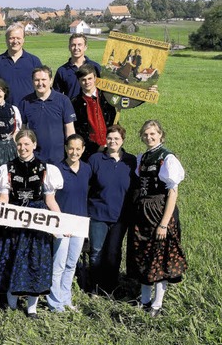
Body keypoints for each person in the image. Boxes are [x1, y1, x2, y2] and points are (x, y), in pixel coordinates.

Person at [0, 129, 63, 318]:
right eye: (19, 144)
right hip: (14, 218)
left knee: (36, 262)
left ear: (34, 144)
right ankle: (12, 305)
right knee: (11, 258)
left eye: (26, 144)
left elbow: (50, 201)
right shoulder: (7, 168)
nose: (23, 148)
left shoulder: (45, 169)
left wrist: (61, 223)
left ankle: (31, 308)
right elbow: (4, 196)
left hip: (37, 219)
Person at [130, 120, 187, 317]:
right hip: (143, 212)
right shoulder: (143, 157)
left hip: (160, 211)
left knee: (160, 256)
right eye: (145, 134)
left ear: (161, 135)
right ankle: (145, 300)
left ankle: (157, 303)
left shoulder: (167, 158)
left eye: (153, 134)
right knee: (144, 254)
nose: (149, 137)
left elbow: (172, 193)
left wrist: (164, 224)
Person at [86, 125, 137, 295]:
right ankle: (95, 286)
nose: (112, 141)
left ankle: (110, 286)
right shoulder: (96, 159)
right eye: (110, 138)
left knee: (113, 253)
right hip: (98, 213)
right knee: (96, 252)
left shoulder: (131, 161)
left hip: (120, 216)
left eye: (116, 139)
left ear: (123, 141)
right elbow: (87, 184)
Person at [47, 134, 91, 313]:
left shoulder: (87, 169)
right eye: (71, 148)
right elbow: (49, 198)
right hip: (61, 222)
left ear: (83, 150)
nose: (74, 152)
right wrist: (58, 223)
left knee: (71, 263)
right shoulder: (57, 169)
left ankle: (66, 299)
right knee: (58, 264)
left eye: (78, 149)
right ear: (66, 148)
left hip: (79, 222)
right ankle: (54, 302)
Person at [19, 66, 76, 164]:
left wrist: (71, 154)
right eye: (36, 80)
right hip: (34, 158)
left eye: (44, 79)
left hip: (59, 158)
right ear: (32, 81)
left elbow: (70, 131)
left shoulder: (63, 100)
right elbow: (22, 131)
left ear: (50, 80)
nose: (40, 83)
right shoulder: (25, 102)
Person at [0, 23, 43, 105]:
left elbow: (43, 87)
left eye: (18, 38)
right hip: (4, 112)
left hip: (29, 110)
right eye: (11, 38)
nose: (15, 41)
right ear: (6, 39)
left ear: (23, 39)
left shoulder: (34, 61)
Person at [71, 64, 117, 161]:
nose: (87, 82)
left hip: (111, 145)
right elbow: (78, 129)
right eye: (83, 79)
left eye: (90, 78)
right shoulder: (75, 103)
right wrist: (95, 147)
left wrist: (149, 90)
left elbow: (130, 98)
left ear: (95, 78)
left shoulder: (107, 97)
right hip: (90, 150)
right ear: (78, 81)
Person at [53, 33, 102, 99]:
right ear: (69, 47)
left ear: (85, 47)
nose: (76, 48)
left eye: (79, 45)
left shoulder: (95, 67)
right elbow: (57, 96)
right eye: (73, 45)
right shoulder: (62, 71)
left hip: (92, 108)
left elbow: (103, 90)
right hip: (71, 108)